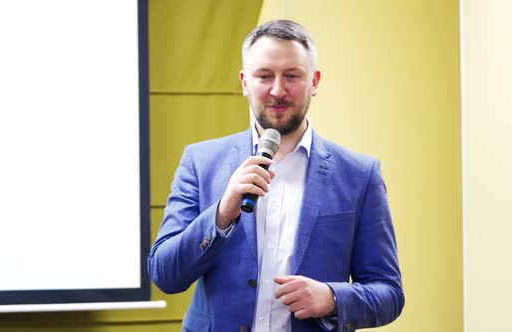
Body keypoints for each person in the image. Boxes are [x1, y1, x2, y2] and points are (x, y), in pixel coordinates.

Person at [148, 20, 404, 332]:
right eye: (264, 76)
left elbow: (389, 293)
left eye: (292, 76)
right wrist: (221, 214)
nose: (277, 90)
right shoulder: (200, 162)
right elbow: (164, 274)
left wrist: (333, 298)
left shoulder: (361, 175)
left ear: (315, 81)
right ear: (245, 82)